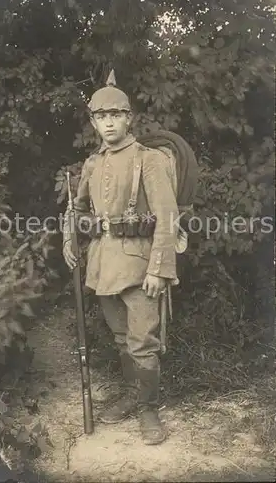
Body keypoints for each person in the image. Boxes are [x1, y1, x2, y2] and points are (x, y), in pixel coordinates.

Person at [63, 70, 184, 445]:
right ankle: (134, 398)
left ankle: (148, 409)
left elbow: (166, 216)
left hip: (140, 265)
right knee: (120, 339)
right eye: (101, 117)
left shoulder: (147, 159)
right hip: (103, 264)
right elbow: (77, 209)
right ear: (93, 122)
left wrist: (160, 269)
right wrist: (70, 236)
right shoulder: (93, 164)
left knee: (143, 342)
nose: (109, 122)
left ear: (128, 118)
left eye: (116, 115)